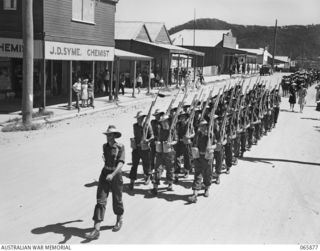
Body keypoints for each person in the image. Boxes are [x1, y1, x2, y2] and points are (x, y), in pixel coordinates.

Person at [188, 120, 213, 203]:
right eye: (201, 126)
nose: (202, 127)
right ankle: (195, 195)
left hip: (207, 158)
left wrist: (210, 148)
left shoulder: (210, 135)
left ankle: (206, 189)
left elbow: (216, 144)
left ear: (206, 126)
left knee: (207, 174)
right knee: (197, 175)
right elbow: (194, 144)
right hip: (198, 157)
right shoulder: (197, 135)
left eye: (204, 126)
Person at [129, 111, 154, 190]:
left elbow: (152, 136)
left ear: (143, 118)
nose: (138, 120)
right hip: (136, 148)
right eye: (138, 118)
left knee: (146, 163)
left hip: (145, 148)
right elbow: (136, 135)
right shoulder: (135, 126)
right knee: (134, 165)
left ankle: (147, 176)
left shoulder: (147, 126)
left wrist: (147, 140)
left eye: (140, 118)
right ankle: (132, 180)